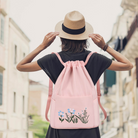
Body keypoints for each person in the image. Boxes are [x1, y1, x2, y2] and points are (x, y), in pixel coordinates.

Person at [16, 11, 133, 138]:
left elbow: (21, 66)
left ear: (61, 37)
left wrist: (42, 46)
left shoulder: (53, 59)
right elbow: (127, 65)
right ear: (85, 38)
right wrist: (105, 46)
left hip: (60, 128)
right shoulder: (95, 58)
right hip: (88, 127)